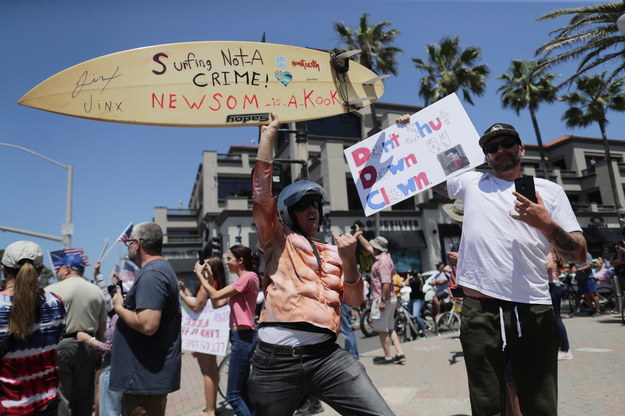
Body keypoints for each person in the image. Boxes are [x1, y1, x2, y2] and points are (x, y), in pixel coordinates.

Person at [397, 115, 587, 415]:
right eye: (492, 147)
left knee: (541, 405)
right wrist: (409, 133)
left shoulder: (549, 191)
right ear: (486, 155)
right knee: (488, 406)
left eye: (507, 143)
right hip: (479, 311)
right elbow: (427, 175)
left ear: (520, 149)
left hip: (533, 308)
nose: (500, 150)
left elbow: (579, 254)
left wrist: (546, 223)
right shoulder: (471, 182)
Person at [248, 113, 394, 416]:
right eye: (303, 205)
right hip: (275, 361)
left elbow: (354, 300)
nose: (312, 209)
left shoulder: (335, 251)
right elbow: (263, 197)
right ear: (289, 214)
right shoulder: (278, 239)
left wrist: (350, 261)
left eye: (315, 203)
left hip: (327, 357)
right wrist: (268, 138)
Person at [109, 222, 182, 416]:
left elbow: (147, 324)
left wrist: (118, 308)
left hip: (144, 378)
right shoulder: (157, 271)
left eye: (129, 242)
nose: (128, 246)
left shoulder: (152, 274)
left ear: (138, 244)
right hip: (145, 376)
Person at [1, 241, 67, 415]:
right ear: (38, 271)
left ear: (3, 269)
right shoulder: (56, 302)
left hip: (7, 406)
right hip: (46, 402)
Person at [195, 245, 260, 416]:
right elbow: (217, 303)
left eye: (229, 258)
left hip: (243, 338)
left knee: (233, 396)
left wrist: (200, 276)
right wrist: (208, 277)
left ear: (240, 261)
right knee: (242, 392)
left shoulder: (248, 277)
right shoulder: (240, 281)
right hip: (240, 337)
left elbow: (215, 296)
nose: (226, 262)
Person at [45, 253, 107, 416]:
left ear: (66, 269)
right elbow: (102, 328)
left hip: (60, 345)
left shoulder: (51, 290)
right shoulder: (96, 291)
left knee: (62, 395)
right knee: (84, 395)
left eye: (58, 268)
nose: (57, 272)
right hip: (89, 345)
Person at [179, 256, 227, 416]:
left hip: (204, 334)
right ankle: (211, 408)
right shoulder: (216, 283)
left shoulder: (207, 283)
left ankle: (210, 410)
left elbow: (196, 305)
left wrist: (181, 295)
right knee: (212, 371)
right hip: (211, 333)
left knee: (207, 372)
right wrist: (186, 291)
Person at [356, 232, 405, 365]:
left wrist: (382, 299)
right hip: (390, 298)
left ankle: (388, 356)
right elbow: (367, 246)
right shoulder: (384, 256)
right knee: (390, 328)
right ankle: (399, 353)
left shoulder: (382, 261)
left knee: (382, 330)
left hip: (383, 299)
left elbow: (386, 282)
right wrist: (359, 234)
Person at [547, 250, 572, 361]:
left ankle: (565, 350)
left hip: (552, 286)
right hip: (554, 285)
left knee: (556, 318)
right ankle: (561, 348)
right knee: (553, 318)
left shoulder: (548, 251)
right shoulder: (553, 252)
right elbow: (559, 271)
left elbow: (550, 266)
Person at [405, 270, 428, 336]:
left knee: (415, 316)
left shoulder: (415, 281)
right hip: (413, 300)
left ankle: (424, 330)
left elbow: (406, 283)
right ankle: (414, 332)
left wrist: (408, 278)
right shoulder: (417, 280)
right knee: (411, 317)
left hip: (417, 301)